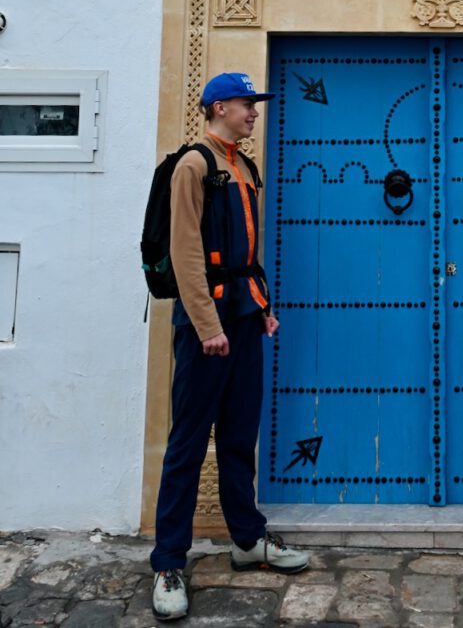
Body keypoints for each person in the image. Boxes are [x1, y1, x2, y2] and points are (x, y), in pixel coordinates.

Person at [150, 72, 309, 621]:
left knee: (241, 434)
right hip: (208, 326)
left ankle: (247, 539)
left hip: (243, 318)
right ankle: (169, 561)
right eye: (247, 104)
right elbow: (186, 249)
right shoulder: (194, 165)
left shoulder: (243, 164)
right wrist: (205, 324)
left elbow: (249, 250)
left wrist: (262, 308)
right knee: (188, 444)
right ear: (219, 107)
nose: (254, 113)